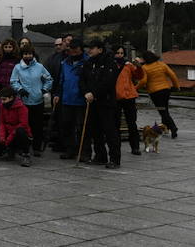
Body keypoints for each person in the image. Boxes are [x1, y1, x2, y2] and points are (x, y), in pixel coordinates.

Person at [81, 40, 122, 168]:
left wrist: (94, 93)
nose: (89, 50)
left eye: (92, 48)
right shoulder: (88, 63)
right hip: (92, 102)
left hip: (106, 102)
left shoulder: (109, 63)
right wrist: (86, 92)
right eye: (89, 48)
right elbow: (82, 80)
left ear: (100, 49)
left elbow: (108, 82)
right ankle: (100, 156)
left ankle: (115, 159)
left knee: (110, 131)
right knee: (95, 131)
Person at [10, 46, 53, 156]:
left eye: (30, 54)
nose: (28, 56)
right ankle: (23, 147)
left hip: (38, 101)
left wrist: (44, 89)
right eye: (25, 54)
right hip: (24, 102)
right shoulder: (17, 68)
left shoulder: (40, 66)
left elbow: (49, 79)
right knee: (23, 125)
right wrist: (20, 89)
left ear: (33, 55)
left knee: (37, 126)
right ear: (22, 55)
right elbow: (13, 81)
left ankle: (36, 147)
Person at [55, 39, 89, 161]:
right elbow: (61, 80)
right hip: (67, 99)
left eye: (76, 51)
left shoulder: (87, 61)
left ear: (81, 50)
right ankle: (70, 149)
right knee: (67, 125)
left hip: (81, 100)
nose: (74, 53)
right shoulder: (65, 63)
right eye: (72, 51)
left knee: (82, 127)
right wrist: (58, 94)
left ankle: (84, 151)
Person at [137, 50, 180, 139]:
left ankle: (173, 127)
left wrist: (135, 88)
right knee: (165, 110)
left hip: (155, 93)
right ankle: (165, 128)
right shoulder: (162, 64)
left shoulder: (145, 68)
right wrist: (176, 86)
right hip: (166, 90)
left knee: (162, 111)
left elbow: (143, 81)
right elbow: (172, 75)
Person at [113, 46, 144, 156]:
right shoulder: (111, 65)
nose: (120, 55)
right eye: (117, 52)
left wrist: (139, 67)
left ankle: (135, 147)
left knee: (132, 123)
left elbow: (139, 76)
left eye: (122, 53)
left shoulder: (129, 65)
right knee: (115, 123)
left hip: (129, 96)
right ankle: (116, 147)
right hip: (116, 97)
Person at [0, 87, 33, 166]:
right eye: (1, 99)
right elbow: (2, 123)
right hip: (8, 131)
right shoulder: (3, 107)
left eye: (4, 99)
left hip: (19, 133)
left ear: (11, 98)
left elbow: (23, 124)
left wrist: (9, 138)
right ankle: (9, 150)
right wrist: (2, 137)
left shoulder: (22, 107)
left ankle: (26, 155)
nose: (2, 102)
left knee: (20, 131)